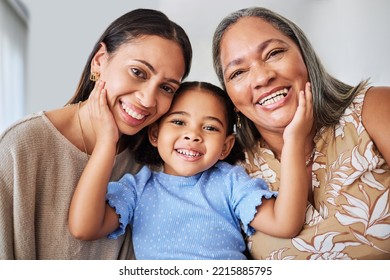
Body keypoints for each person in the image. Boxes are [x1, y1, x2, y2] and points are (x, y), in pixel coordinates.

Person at [0, 8, 192, 260]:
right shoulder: (22, 144)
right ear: (100, 60)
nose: (147, 99)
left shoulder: (155, 163)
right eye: (138, 72)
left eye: (166, 88)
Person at [212, 7, 390, 259]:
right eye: (238, 72)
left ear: (305, 56)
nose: (262, 77)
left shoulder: (374, 108)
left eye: (273, 53)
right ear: (230, 97)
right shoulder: (233, 173)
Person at [68, 81, 313, 260]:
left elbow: (285, 223)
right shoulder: (137, 188)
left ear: (226, 147)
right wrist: (105, 143)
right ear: (155, 134)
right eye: (178, 122)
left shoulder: (230, 182)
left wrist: (294, 141)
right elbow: (83, 227)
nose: (193, 135)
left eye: (210, 127)